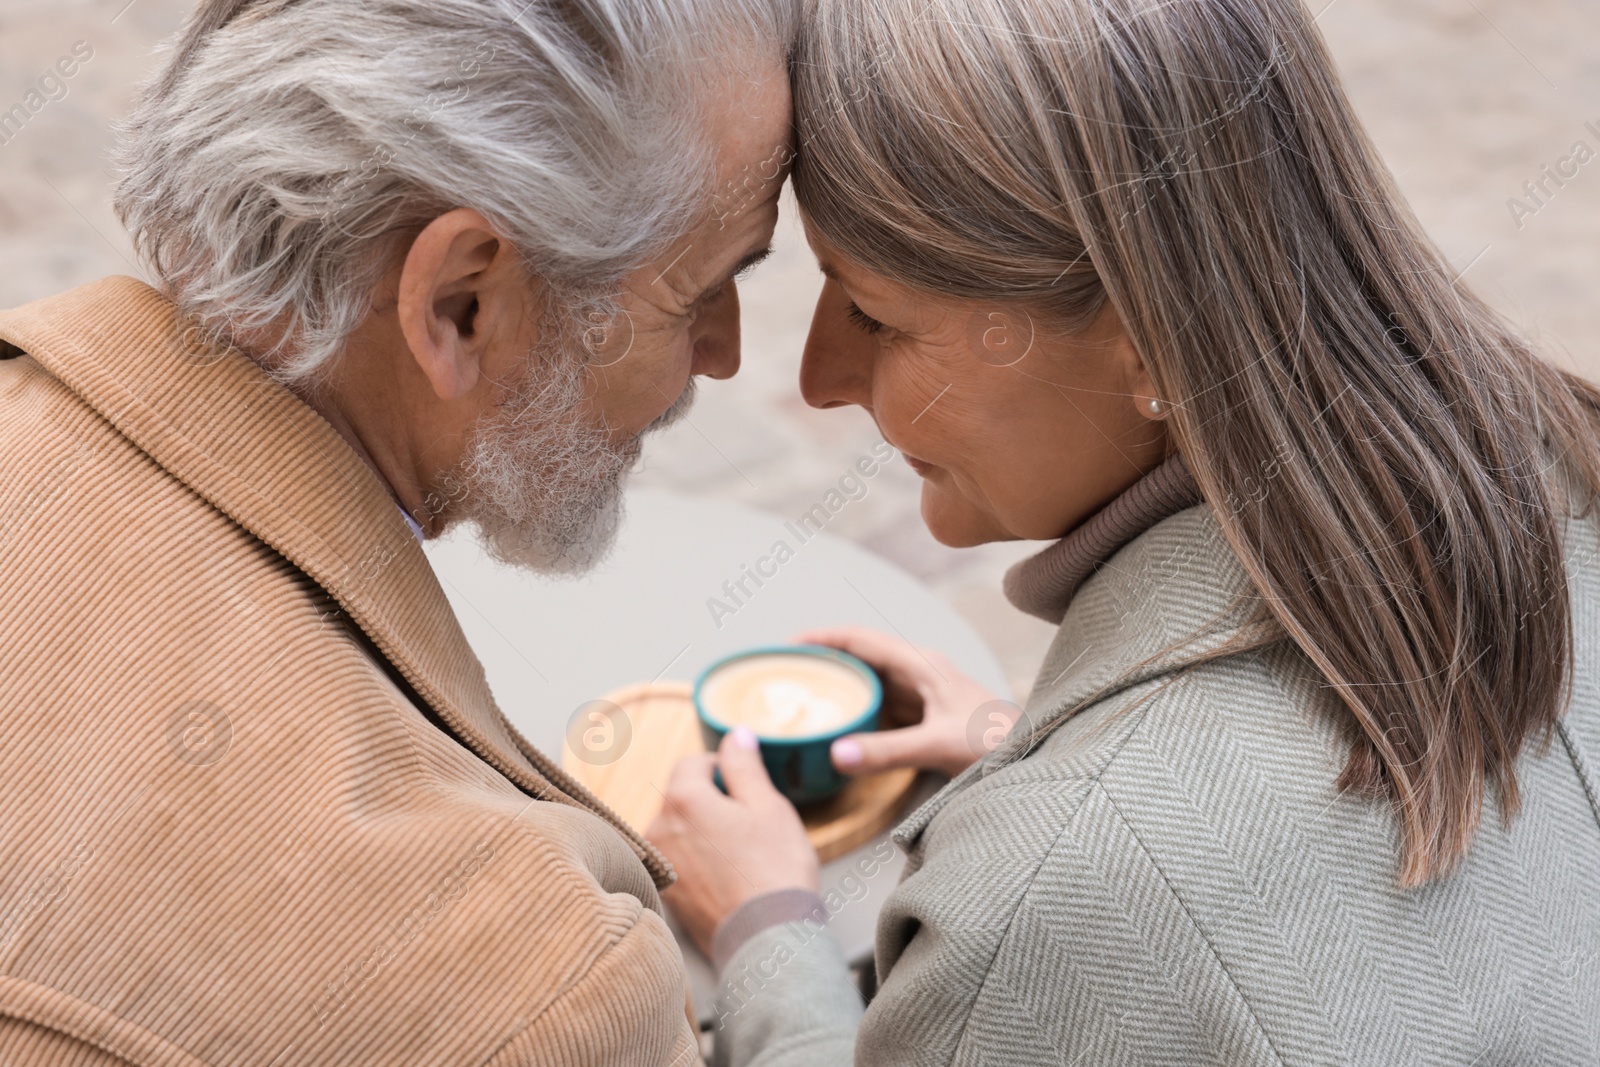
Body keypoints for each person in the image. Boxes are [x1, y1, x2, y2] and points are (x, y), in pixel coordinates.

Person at [645, 0, 1600, 1063]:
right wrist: (1054, 753)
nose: (819, 379)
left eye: (875, 313)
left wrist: (767, 926)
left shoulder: (1048, 894)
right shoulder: (1567, 470)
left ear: (1151, 340)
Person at [0, 0, 793, 1061]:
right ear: (462, 303)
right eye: (702, 288)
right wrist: (778, 937)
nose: (728, 353)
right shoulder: (534, 992)